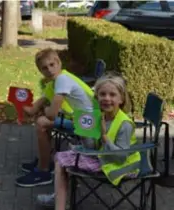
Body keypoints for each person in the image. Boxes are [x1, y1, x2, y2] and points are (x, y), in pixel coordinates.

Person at [36, 74, 141, 209]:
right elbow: (91, 146)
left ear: (121, 99)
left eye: (112, 95)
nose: (107, 98)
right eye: (102, 94)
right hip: (103, 157)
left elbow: (120, 157)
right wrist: (83, 132)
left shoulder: (124, 124)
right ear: (97, 97)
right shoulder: (99, 115)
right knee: (62, 158)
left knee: (62, 162)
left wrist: (104, 137)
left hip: (120, 166)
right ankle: (60, 199)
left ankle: (60, 201)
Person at [15, 48, 94, 187]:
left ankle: (43, 171)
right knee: (40, 120)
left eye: (52, 65)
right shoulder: (53, 83)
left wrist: (43, 110)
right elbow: (32, 110)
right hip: (81, 120)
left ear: (59, 63)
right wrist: (18, 101)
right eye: (44, 68)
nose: (49, 70)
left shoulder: (63, 80)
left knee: (42, 123)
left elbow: (51, 114)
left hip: (89, 125)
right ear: (41, 71)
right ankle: (44, 162)